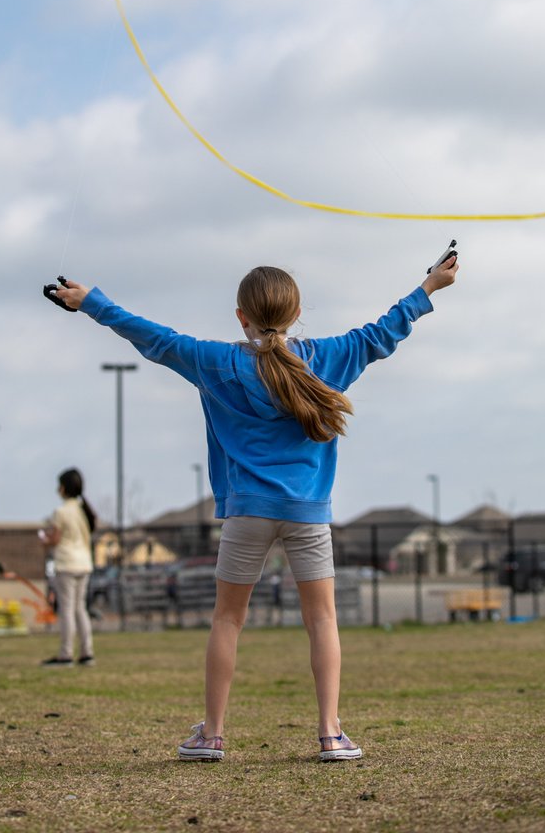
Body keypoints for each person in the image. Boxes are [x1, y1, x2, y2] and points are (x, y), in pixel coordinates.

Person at [51, 254, 458, 760]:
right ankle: (331, 733)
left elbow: (150, 336)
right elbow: (383, 331)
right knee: (323, 621)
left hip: (247, 512)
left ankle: (212, 734)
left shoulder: (215, 361)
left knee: (227, 620)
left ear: (241, 316)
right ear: (297, 311)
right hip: (308, 511)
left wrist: (91, 302)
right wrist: (430, 286)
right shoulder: (329, 356)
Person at [40, 468, 97, 666]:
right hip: (84, 564)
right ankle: (87, 652)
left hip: (66, 564)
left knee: (66, 609)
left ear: (64, 488)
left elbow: (54, 539)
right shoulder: (84, 511)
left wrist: (44, 538)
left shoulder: (61, 512)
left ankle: (66, 653)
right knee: (80, 608)